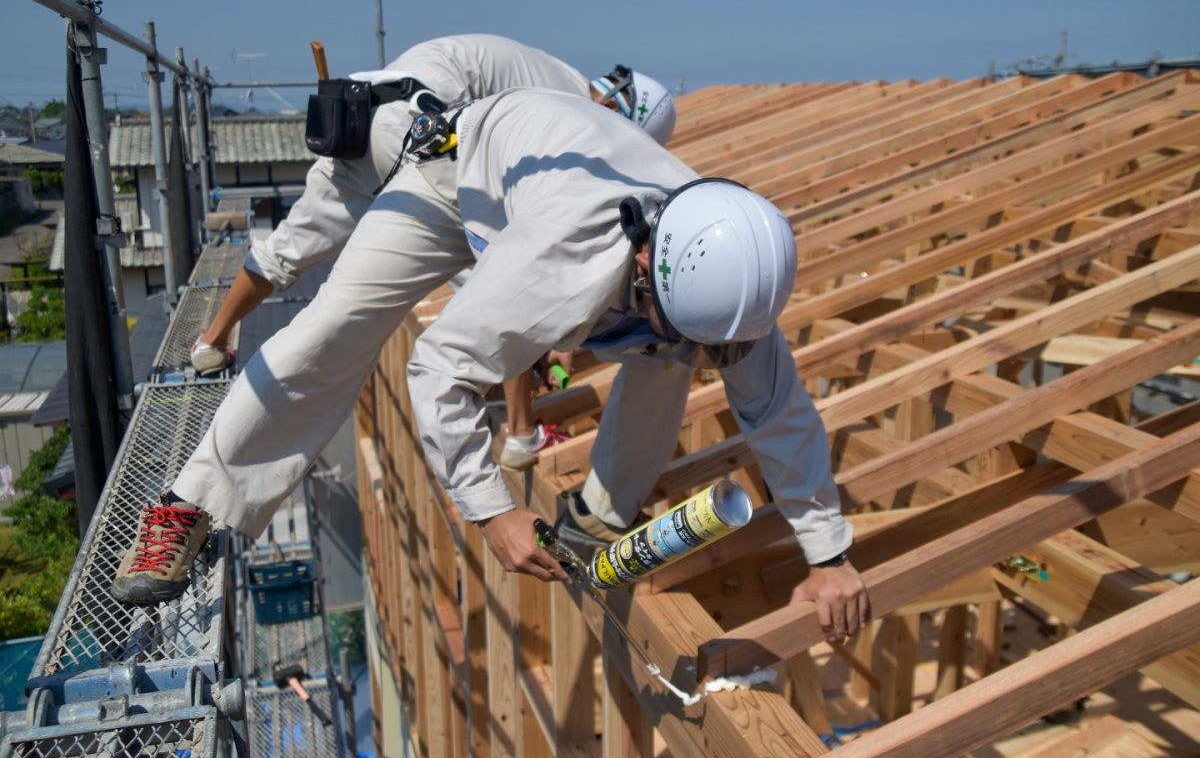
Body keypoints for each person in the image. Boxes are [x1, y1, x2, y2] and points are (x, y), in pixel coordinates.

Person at [114, 88, 869, 643]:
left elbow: (777, 410)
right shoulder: (566, 260)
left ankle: (595, 517)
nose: (717, 352)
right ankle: (191, 501)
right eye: (692, 327)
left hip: (542, 185)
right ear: (646, 260)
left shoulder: (725, 273)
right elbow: (436, 370)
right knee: (333, 329)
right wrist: (495, 509)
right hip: (454, 184)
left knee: (670, 353)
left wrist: (830, 552)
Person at [188, 34, 674, 464]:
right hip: (420, 127)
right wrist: (555, 334)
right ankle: (523, 434)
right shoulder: (573, 114)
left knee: (285, 251)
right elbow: (534, 243)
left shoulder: (547, 69)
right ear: (614, 113)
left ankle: (211, 341)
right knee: (508, 283)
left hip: (359, 116)